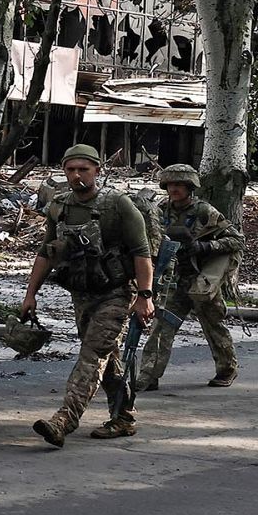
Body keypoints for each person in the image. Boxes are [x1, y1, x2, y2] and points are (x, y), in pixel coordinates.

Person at [21, 144, 155, 447]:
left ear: (97, 170)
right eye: (70, 169)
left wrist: (145, 296)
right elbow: (46, 252)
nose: (77, 175)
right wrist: (31, 294)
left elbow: (141, 253)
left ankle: (64, 420)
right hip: (82, 294)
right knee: (107, 358)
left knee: (93, 355)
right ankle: (123, 418)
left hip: (117, 294)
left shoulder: (118, 205)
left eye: (84, 169)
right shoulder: (60, 206)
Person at [136, 164, 243, 389]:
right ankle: (148, 376)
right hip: (173, 280)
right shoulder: (160, 209)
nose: (174, 189)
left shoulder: (204, 211)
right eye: (171, 185)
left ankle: (227, 369)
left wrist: (204, 247)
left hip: (200, 278)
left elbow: (236, 240)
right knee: (160, 328)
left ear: (190, 187)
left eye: (180, 185)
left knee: (213, 325)